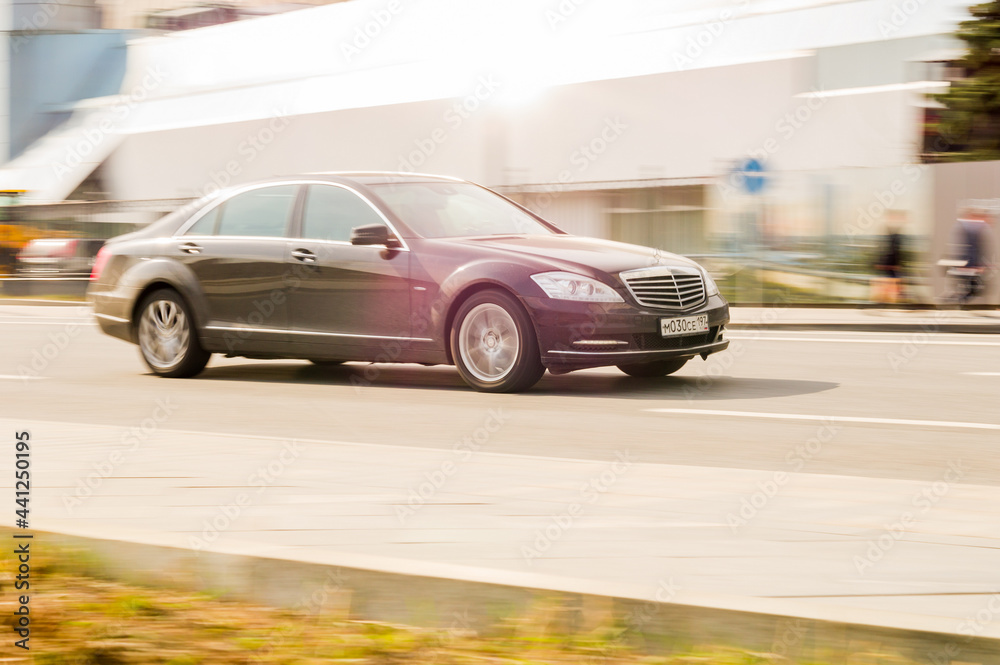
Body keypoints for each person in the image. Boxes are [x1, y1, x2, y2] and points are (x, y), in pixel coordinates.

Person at [873, 210, 905, 304]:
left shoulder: (892, 234)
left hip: (890, 264)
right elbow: (891, 250)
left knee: (890, 283)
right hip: (890, 264)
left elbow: (890, 250)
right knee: (893, 283)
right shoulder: (892, 234)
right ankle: (891, 299)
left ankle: (885, 300)